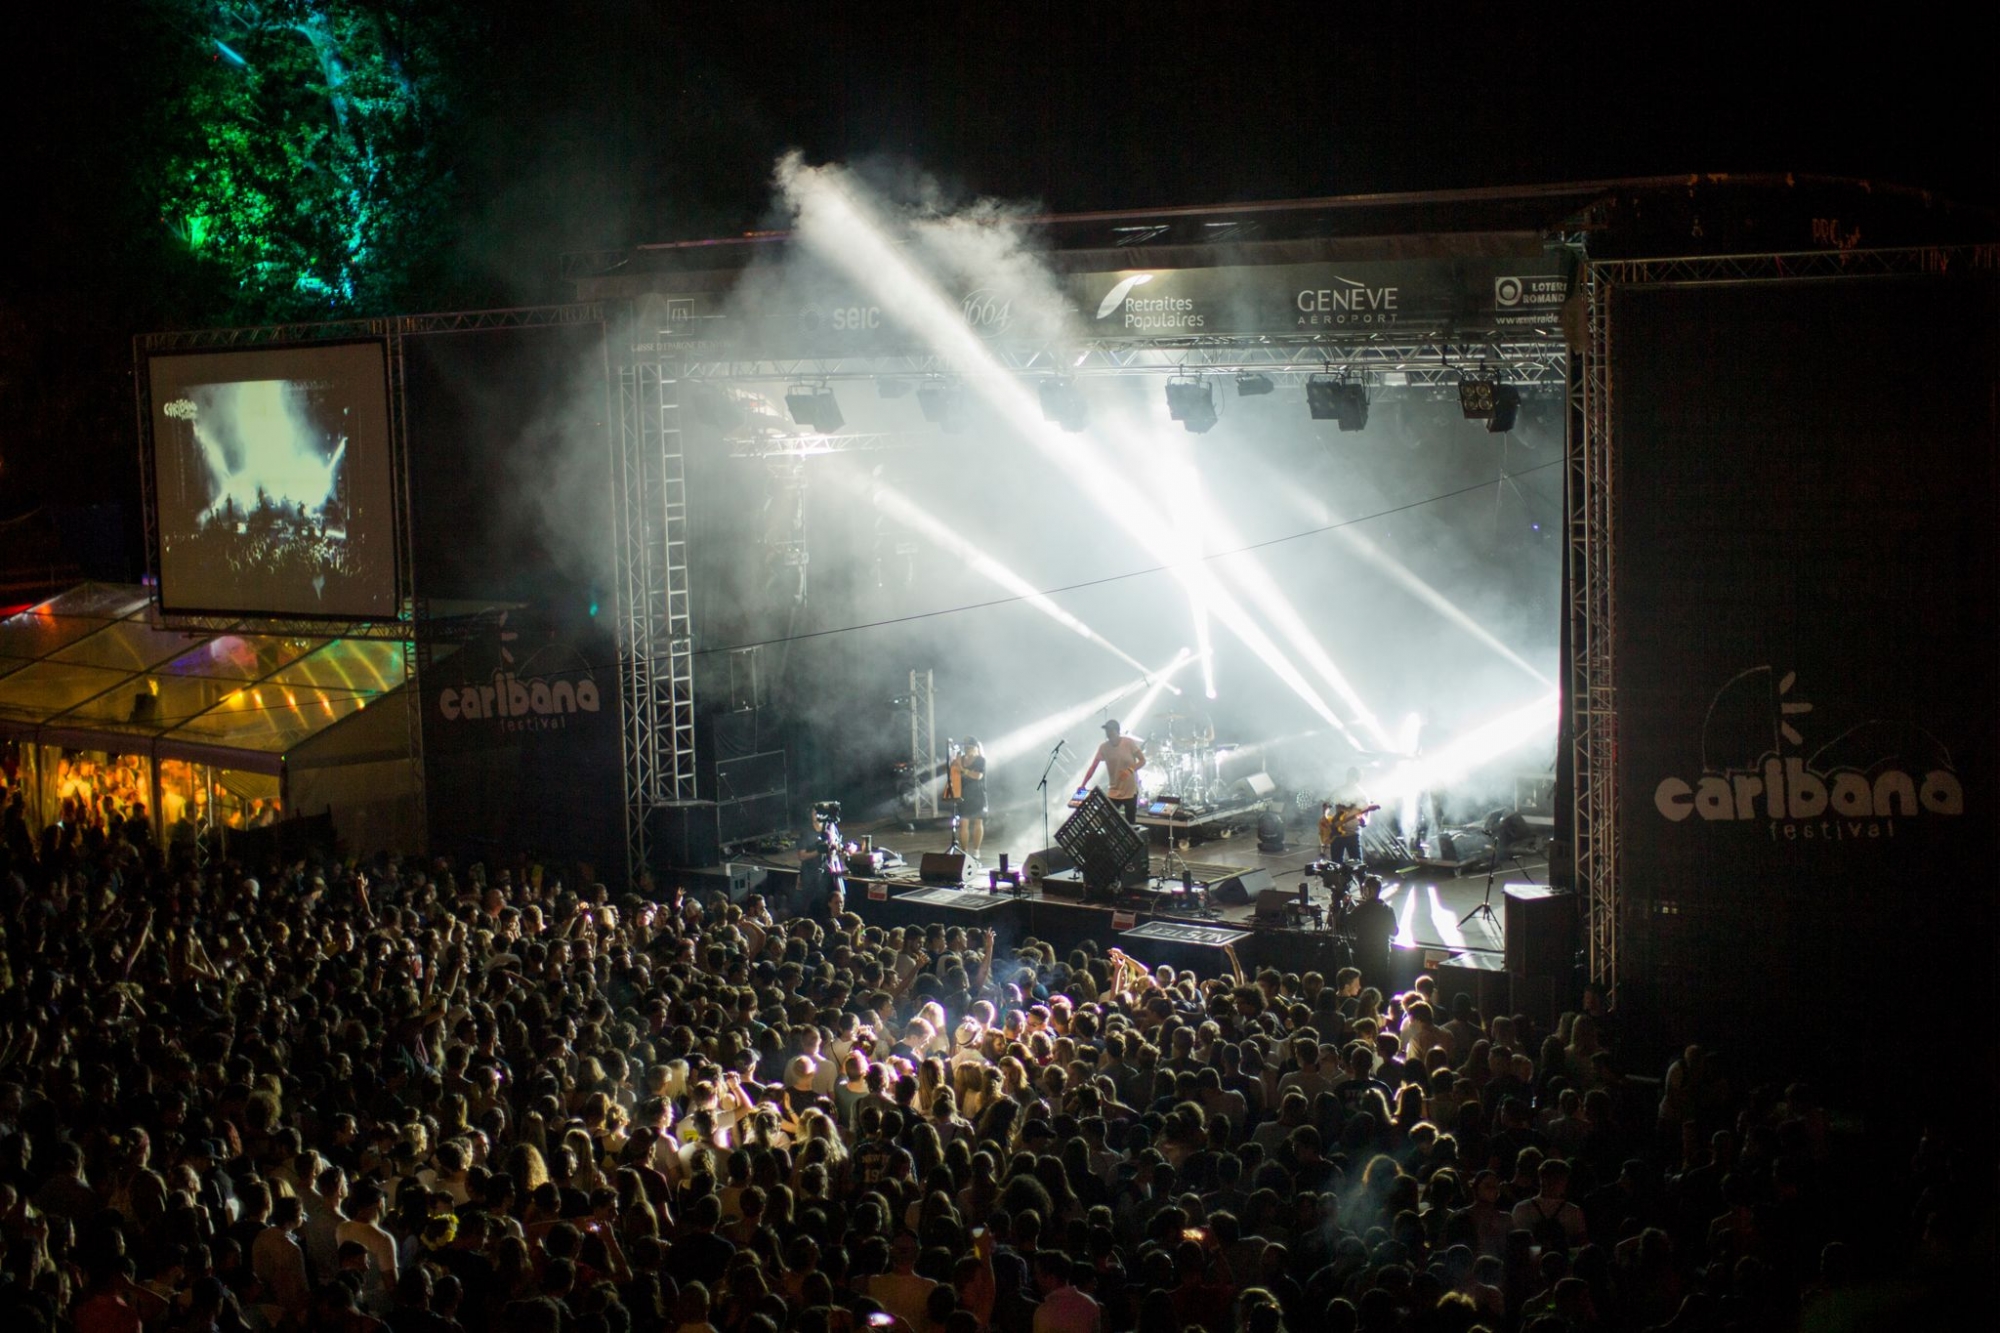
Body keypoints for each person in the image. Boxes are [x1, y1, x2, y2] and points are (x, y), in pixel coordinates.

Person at [1080, 719, 1146, 824]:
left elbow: (1143, 760)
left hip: (1130, 791)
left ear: (1117, 731)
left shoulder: (1128, 743)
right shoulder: (1104, 747)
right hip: (1114, 791)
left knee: (1130, 824)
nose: (1108, 733)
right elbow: (1093, 767)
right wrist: (1083, 784)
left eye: (1111, 730)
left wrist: (1130, 770)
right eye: (1107, 731)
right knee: (1108, 822)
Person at [1345, 875, 1397, 993]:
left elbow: (1346, 922)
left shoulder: (1361, 909)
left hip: (1363, 955)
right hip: (1381, 955)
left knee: (1363, 986)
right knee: (1379, 986)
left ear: (1368, 890)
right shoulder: (1388, 910)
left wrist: (1344, 906)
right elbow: (1394, 931)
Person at [952, 739, 989, 862]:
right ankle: (964, 851)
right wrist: (954, 764)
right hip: (964, 794)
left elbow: (977, 776)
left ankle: (976, 851)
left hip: (977, 794)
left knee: (978, 822)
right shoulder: (960, 759)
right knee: (963, 823)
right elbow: (954, 774)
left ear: (975, 748)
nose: (967, 749)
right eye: (965, 747)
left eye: (969, 747)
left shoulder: (980, 760)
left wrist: (962, 768)